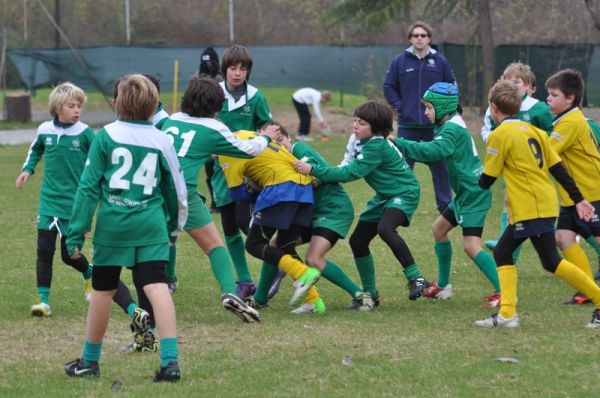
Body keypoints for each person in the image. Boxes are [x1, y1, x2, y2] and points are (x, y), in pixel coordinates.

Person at [64, 74, 188, 380]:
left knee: (102, 291)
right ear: (152, 104)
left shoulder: (105, 136)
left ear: (119, 103)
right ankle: (170, 363)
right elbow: (176, 188)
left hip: (113, 228)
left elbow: (88, 188)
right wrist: (174, 225)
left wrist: (76, 231)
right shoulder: (161, 139)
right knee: (158, 287)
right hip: (150, 226)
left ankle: (90, 362)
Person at [16, 83, 146, 338]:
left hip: (74, 204)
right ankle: (43, 301)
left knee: (69, 255)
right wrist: (27, 170)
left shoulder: (86, 133)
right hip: (48, 201)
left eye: (79, 106)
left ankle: (89, 274)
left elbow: (103, 160)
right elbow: (36, 151)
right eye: (71, 106)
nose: (77, 111)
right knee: (44, 250)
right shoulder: (45, 130)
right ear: (57, 108)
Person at [473, 80, 600, 329]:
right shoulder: (536, 131)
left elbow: (487, 179)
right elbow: (559, 169)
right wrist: (579, 199)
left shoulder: (499, 135)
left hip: (529, 207)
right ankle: (507, 314)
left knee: (504, 252)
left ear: (493, 107)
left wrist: (474, 182)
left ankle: (508, 314)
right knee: (548, 261)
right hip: (545, 203)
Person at [162, 75, 281, 322]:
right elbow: (250, 149)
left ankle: (163, 284)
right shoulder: (214, 127)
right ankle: (229, 290)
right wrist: (267, 136)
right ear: (216, 107)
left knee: (167, 239)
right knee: (215, 246)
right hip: (183, 192)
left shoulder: (170, 121)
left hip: (154, 191)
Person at [294, 101, 429, 303]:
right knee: (358, 241)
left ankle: (416, 277)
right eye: (355, 120)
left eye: (362, 123)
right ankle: (370, 294)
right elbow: (345, 165)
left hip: (405, 193)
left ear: (376, 128)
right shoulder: (355, 140)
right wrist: (320, 179)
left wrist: (313, 170)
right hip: (384, 196)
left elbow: (351, 173)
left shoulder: (377, 144)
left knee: (385, 228)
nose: (355, 126)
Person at [392, 82, 500, 307]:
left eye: (429, 107)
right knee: (439, 229)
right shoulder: (450, 124)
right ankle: (443, 286)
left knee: (471, 246)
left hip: (474, 193)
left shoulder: (451, 128)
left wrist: (399, 143)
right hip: (466, 192)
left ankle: (504, 291)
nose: (426, 112)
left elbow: (433, 152)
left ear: (442, 107)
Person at [212, 44, 273, 299]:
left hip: (249, 173)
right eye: (233, 68)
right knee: (229, 228)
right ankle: (245, 281)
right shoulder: (213, 93)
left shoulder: (256, 97)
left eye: (243, 68)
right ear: (224, 69)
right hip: (221, 171)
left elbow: (268, 129)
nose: (237, 73)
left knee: (246, 222)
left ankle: (279, 259)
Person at [383, 21, 454, 214]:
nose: (420, 38)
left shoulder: (440, 61)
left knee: (441, 169)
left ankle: (446, 208)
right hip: (408, 125)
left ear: (429, 38)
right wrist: (401, 107)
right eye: (416, 35)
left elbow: (451, 87)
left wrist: (444, 112)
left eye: (423, 35)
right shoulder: (399, 61)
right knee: (402, 168)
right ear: (410, 39)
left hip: (435, 126)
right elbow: (388, 86)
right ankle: (399, 206)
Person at [481, 62, 554, 251]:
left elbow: (551, 135)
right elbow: (488, 131)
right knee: (510, 203)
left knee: (519, 207)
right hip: (511, 166)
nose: (512, 86)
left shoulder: (539, 109)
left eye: (517, 82)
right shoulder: (495, 109)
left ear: (530, 87)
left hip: (533, 169)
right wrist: (492, 140)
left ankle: (506, 246)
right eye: (508, 81)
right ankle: (506, 247)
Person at [545, 69, 600, 304]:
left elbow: (548, 152)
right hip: (573, 196)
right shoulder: (563, 120)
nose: (548, 98)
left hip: (592, 192)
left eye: (554, 95)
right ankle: (589, 289)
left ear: (570, 98)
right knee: (564, 238)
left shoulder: (570, 121)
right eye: (548, 94)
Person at [198, 46, 222, 214]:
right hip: (204, 132)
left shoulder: (223, 82)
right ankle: (215, 202)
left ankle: (225, 202)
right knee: (210, 169)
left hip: (219, 130)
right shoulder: (196, 82)